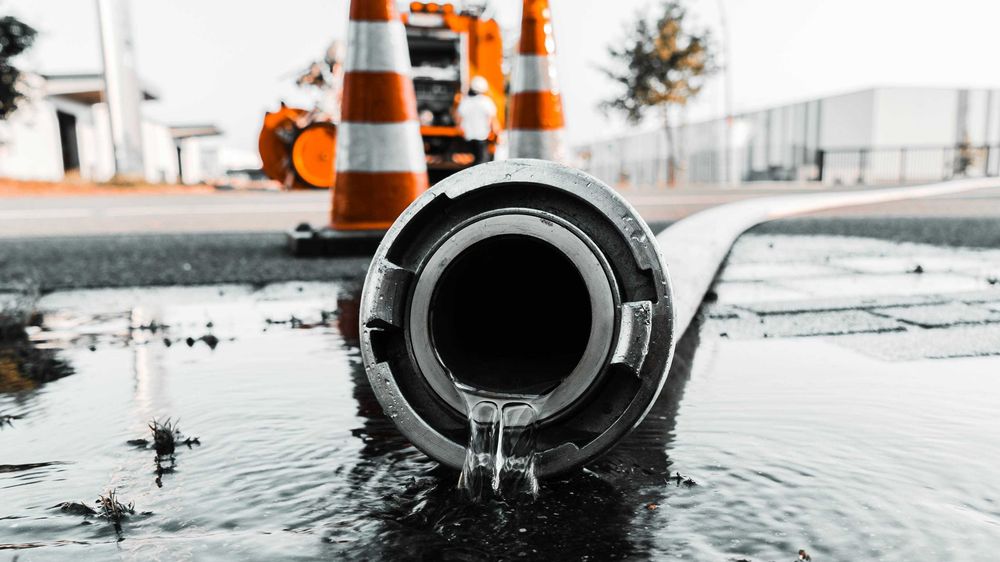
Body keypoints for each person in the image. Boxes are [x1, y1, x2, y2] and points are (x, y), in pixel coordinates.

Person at [456, 76, 498, 164]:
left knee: (472, 161)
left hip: (468, 137)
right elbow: (492, 120)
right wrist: (497, 133)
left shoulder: (465, 101)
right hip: (482, 137)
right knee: (482, 162)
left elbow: (459, 119)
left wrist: (460, 130)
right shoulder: (486, 102)